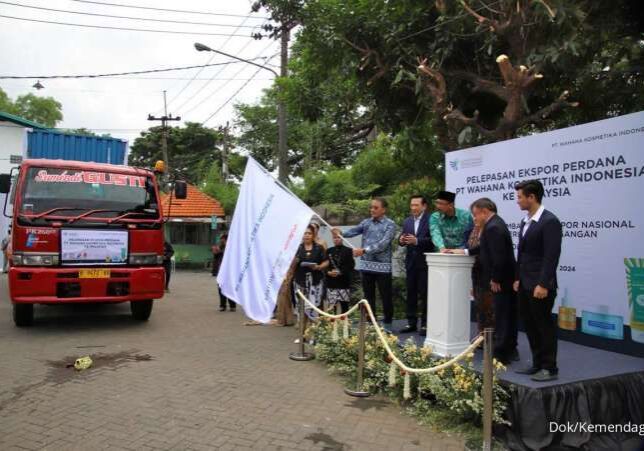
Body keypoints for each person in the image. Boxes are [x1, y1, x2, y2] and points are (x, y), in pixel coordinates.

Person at [448, 198, 519, 364]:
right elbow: (483, 248)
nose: (474, 218)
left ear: (484, 211)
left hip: (501, 280)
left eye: (475, 214)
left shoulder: (494, 227)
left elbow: (499, 257)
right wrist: (464, 251)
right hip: (500, 278)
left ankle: (502, 354)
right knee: (503, 315)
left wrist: (496, 278)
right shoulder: (493, 225)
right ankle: (507, 349)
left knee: (502, 316)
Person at [513, 180, 562, 382]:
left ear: (531, 197)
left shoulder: (550, 221)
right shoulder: (526, 221)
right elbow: (522, 254)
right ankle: (537, 363)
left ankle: (549, 368)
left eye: (520, 197)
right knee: (530, 325)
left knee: (543, 326)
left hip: (540, 285)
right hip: (524, 283)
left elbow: (551, 256)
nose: (517, 201)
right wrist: (517, 278)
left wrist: (543, 284)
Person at [341, 197, 396, 331]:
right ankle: (371, 323)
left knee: (385, 296)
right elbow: (353, 231)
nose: (372, 210)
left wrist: (364, 250)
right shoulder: (366, 222)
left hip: (383, 268)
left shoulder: (390, 224)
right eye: (371, 207)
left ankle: (388, 324)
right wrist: (340, 233)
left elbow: (383, 244)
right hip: (366, 266)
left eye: (375, 208)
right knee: (368, 296)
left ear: (384, 209)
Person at [398, 195, 433, 336]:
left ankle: (425, 324)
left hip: (425, 263)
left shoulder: (431, 220)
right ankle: (411, 322)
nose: (413, 208)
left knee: (425, 294)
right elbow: (402, 239)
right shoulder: (407, 221)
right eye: (411, 205)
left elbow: (434, 241)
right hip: (411, 263)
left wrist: (417, 241)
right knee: (411, 293)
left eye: (416, 205)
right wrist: (401, 240)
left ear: (424, 206)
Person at [293, 225, 328, 329]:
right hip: (300, 281)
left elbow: (326, 261)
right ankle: (302, 334)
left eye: (309, 233)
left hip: (315, 282)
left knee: (313, 307)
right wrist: (294, 261)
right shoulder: (298, 248)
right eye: (305, 233)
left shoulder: (319, 248)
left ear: (313, 235)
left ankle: (313, 332)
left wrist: (319, 266)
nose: (307, 235)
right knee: (302, 307)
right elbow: (291, 264)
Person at [326, 228, 355, 314]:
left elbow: (351, 266)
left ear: (342, 238)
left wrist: (340, 272)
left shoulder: (348, 250)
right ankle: (332, 325)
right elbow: (326, 265)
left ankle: (344, 325)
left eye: (338, 237)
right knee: (331, 307)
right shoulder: (329, 251)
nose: (336, 239)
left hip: (343, 283)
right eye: (334, 238)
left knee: (344, 307)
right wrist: (328, 272)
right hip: (331, 282)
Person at [213, 234, 236, 312]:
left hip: (230, 271)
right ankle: (223, 305)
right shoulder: (221, 246)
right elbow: (216, 257)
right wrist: (216, 252)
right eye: (221, 239)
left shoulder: (232, 246)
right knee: (221, 288)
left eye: (222, 239)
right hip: (221, 270)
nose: (221, 241)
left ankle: (232, 306)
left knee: (230, 288)